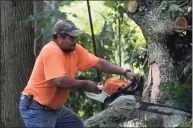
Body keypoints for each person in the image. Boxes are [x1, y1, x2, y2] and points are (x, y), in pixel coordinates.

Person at [19, 19, 137, 128]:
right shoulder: (52, 51)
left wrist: (124, 71)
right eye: (72, 38)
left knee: (76, 125)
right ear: (60, 37)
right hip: (36, 108)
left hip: (55, 108)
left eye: (76, 38)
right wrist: (85, 84)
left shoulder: (74, 50)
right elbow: (59, 81)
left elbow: (99, 63)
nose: (75, 41)